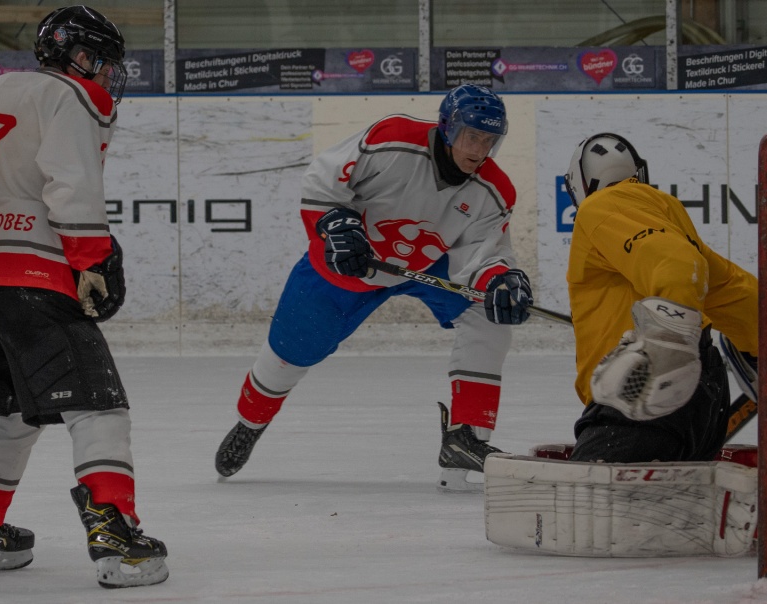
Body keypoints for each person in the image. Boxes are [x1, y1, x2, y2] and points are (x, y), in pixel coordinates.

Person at [0, 6, 167, 588]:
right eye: (105, 63)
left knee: (12, 409)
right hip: (30, 273)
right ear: (82, 56)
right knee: (98, 404)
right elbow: (70, 183)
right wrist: (91, 259)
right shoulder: (65, 95)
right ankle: (115, 533)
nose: (108, 76)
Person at [215, 83, 534, 491]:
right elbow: (322, 182)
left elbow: (483, 255)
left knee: (486, 311)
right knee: (290, 352)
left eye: (490, 140)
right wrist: (335, 225)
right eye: (473, 136)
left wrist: (501, 279)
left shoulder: (495, 191)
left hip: (429, 263)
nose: (480, 149)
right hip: (354, 261)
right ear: (449, 128)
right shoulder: (392, 139)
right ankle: (250, 422)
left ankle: (466, 437)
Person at [561, 132, 759, 464]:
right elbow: (732, 289)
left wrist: (670, 344)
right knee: (676, 512)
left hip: (644, 383)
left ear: (578, 185)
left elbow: (678, 266)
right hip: (706, 397)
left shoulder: (600, 206)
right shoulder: (667, 216)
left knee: (589, 509)